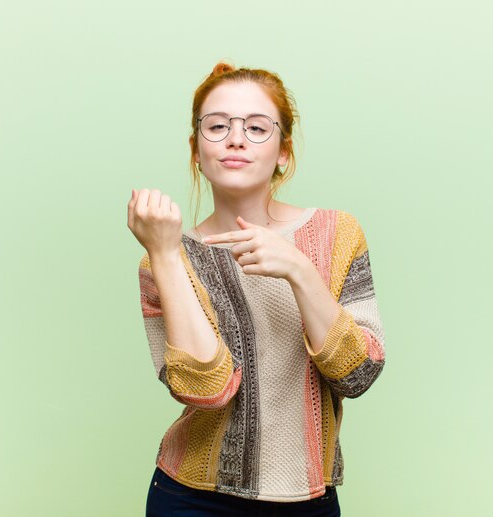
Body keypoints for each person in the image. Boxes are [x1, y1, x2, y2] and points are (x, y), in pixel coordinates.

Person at [127, 62, 386, 517]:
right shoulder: (163, 259)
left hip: (308, 498)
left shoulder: (337, 233)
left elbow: (358, 374)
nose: (236, 138)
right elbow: (205, 389)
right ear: (195, 150)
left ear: (284, 151)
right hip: (189, 498)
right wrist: (167, 254)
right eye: (218, 126)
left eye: (257, 127)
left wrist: (299, 271)